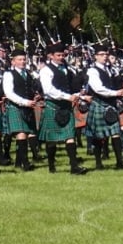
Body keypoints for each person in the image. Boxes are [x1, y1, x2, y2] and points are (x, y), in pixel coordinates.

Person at [37, 43, 89, 175]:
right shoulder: (46, 70)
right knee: (51, 140)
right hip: (53, 105)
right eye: (58, 55)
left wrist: (79, 94)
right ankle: (51, 165)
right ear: (50, 56)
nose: (61, 57)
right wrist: (67, 97)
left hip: (66, 106)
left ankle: (74, 167)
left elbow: (71, 87)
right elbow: (48, 90)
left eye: (63, 55)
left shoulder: (66, 69)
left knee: (70, 136)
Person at [84, 44, 123, 170]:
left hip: (111, 104)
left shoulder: (111, 70)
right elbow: (98, 89)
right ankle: (99, 163)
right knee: (99, 135)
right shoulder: (92, 71)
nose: (104, 57)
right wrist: (116, 93)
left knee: (115, 133)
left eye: (106, 55)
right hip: (99, 104)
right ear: (95, 57)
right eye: (101, 55)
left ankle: (119, 161)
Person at [2, 46, 40, 171]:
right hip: (16, 106)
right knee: (21, 134)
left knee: (27, 133)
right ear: (13, 61)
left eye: (24, 59)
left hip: (28, 106)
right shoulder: (8, 74)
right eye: (19, 60)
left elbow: (30, 89)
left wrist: (35, 95)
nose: (22, 62)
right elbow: (9, 93)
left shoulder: (28, 74)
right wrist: (24, 102)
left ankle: (18, 163)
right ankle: (26, 163)